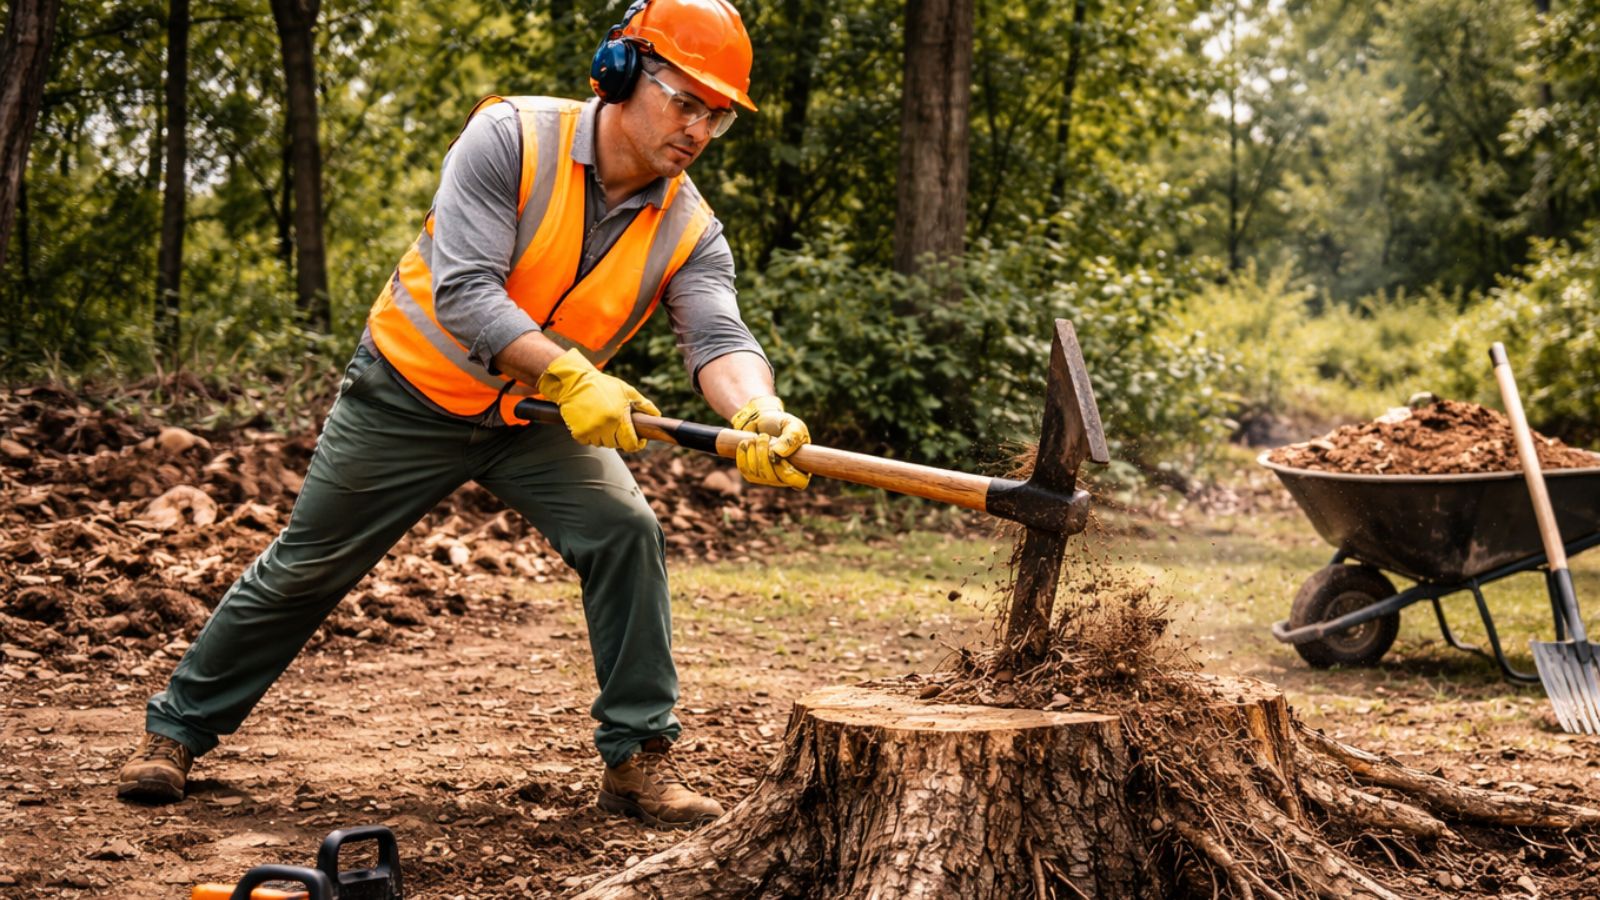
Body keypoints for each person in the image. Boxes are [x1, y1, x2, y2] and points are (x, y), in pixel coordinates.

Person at [117, 0, 809, 831]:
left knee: (624, 532)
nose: (698, 127)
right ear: (623, 74)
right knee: (308, 566)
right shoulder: (512, 137)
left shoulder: (691, 227)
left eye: (718, 114)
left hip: (536, 419)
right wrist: (571, 373)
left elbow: (718, 336)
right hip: (407, 397)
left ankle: (637, 759)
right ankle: (176, 732)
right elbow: (466, 292)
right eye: (685, 99)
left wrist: (759, 409)